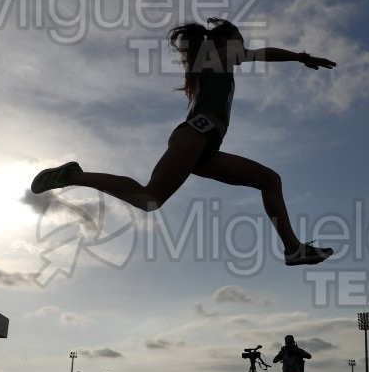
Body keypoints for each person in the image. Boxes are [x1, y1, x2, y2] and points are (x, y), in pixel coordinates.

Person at [30, 18, 336, 266]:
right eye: (239, 40)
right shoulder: (216, 56)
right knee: (150, 198)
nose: (243, 47)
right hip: (195, 133)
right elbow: (262, 54)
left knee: (270, 180)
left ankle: (293, 249)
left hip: (207, 143)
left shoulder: (218, 61)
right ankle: (71, 174)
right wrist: (299, 57)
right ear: (222, 42)